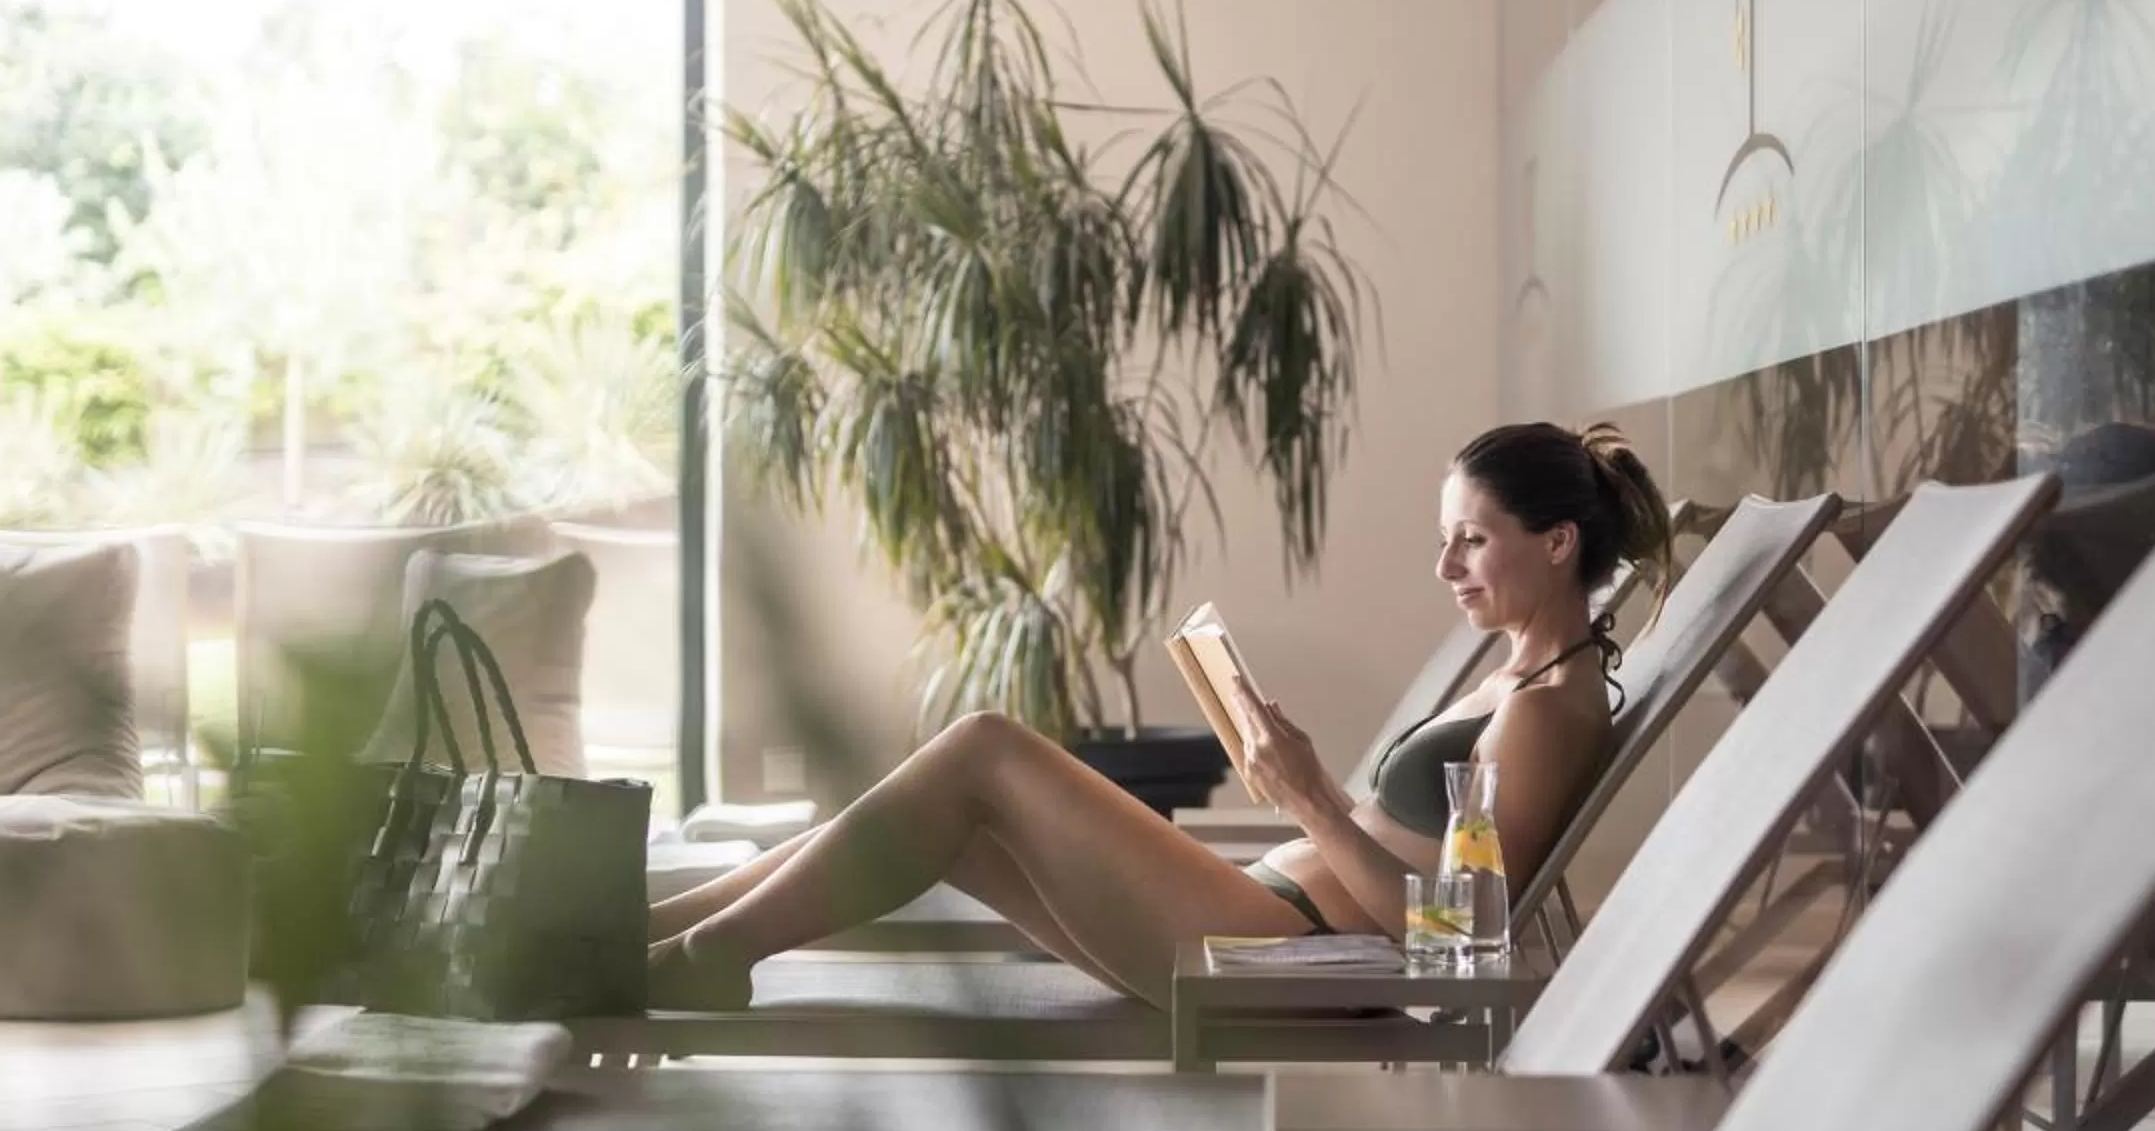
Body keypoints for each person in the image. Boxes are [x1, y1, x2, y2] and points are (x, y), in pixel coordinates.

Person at [644, 422, 1674, 1010]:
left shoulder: (1543, 714)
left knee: (985, 750)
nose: (1445, 565)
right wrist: (1300, 790)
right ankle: (669, 935)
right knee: (948, 817)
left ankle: (706, 953)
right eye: (1445, 538)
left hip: (1275, 947)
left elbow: (1459, 940)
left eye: (1473, 540)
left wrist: (1311, 798)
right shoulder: (1517, 681)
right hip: (1257, 913)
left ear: (1555, 542)